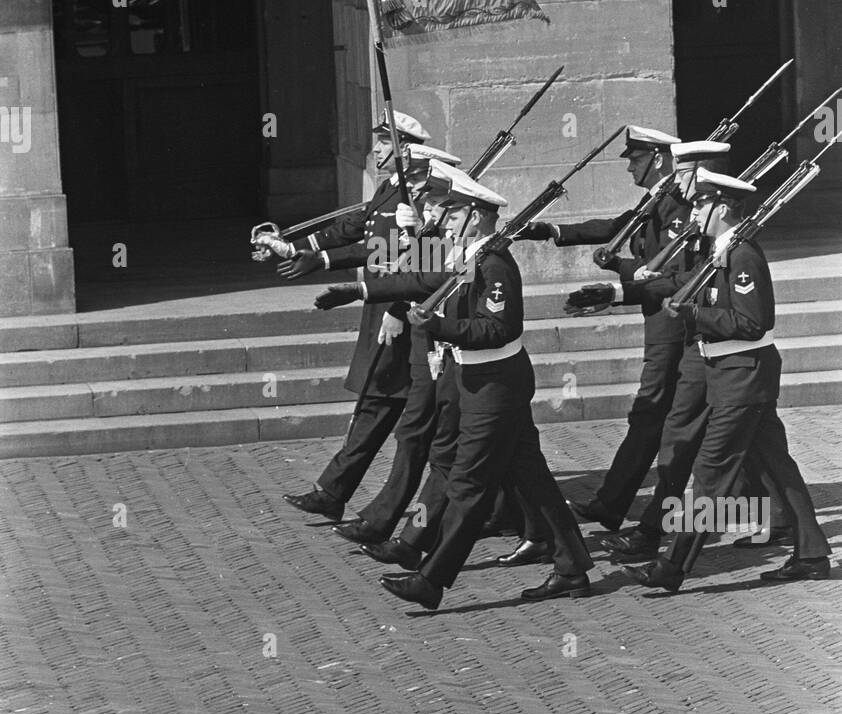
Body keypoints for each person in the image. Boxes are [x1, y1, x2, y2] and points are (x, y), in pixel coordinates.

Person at [368, 169, 592, 610]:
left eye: (452, 214)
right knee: (532, 478)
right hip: (478, 381)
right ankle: (572, 567)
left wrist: (437, 326)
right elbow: (425, 283)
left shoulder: (493, 264)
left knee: (467, 484)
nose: (444, 222)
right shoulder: (470, 257)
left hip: (496, 386)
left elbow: (497, 327)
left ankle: (431, 580)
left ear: (475, 216)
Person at [633, 169, 831, 593]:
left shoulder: (742, 256)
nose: (696, 209)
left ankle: (671, 567)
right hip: (731, 375)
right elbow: (691, 285)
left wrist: (694, 316)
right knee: (777, 468)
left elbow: (754, 321)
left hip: (743, 375)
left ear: (722, 207)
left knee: (710, 473)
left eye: (703, 203)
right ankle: (812, 554)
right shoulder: (720, 250)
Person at [518, 125, 687, 532]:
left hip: (672, 322)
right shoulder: (656, 200)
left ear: (658, 159)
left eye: (636, 159)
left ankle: (615, 506)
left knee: (653, 415)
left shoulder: (676, 205)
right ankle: (612, 504)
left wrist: (617, 277)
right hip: (661, 319)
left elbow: (669, 274)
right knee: (665, 418)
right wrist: (552, 231)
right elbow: (617, 226)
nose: (629, 168)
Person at [282, 111, 430, 521]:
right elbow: (355, 229)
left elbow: (417, 257)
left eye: (385, 144)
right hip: (381, 306)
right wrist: (294, 248)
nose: (375, 150)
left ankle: (502, 505)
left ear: (406, 148)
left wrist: (399, 309)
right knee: (378, 402)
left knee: (397, 411)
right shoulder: (389, 188)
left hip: (400, 311)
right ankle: (333, 490)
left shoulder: (418, 196)